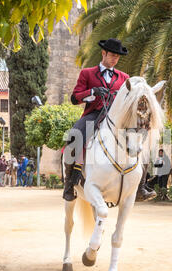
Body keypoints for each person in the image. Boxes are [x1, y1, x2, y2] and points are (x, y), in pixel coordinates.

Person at [64, 38, 155, 201]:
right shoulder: (87, 73)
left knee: (141, 139)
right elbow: (74, 98)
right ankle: (69, 184)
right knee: (74, 135)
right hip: (93, 115)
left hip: (118, 117)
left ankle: (141, 186)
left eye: (117, 57)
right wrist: (92, 91)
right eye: (112, 55)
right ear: (103, 53)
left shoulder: (124, 77)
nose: (114, 59)